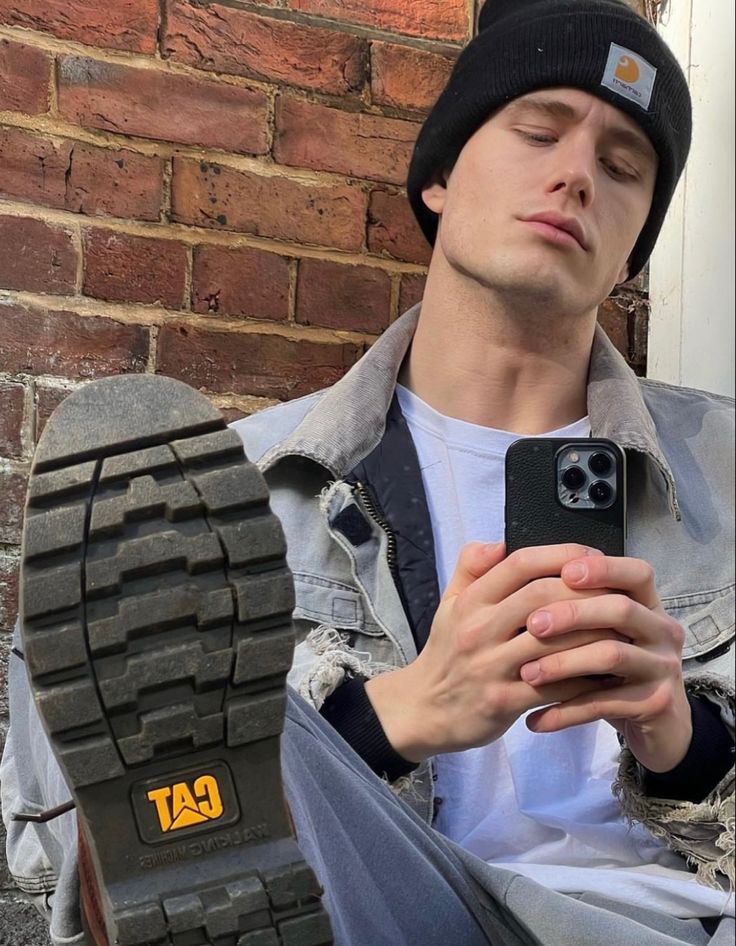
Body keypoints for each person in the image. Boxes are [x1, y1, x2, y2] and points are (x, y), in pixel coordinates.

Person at [2, 0, 734, 944]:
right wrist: (390, 717)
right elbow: (64, 846)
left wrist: (683, 744)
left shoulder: (723, 473)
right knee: (199, 744)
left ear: (636, 247)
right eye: (539, 131)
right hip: (380, 909)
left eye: (623, 166)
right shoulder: (230, 490)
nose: (575, 176)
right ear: (438, 175)